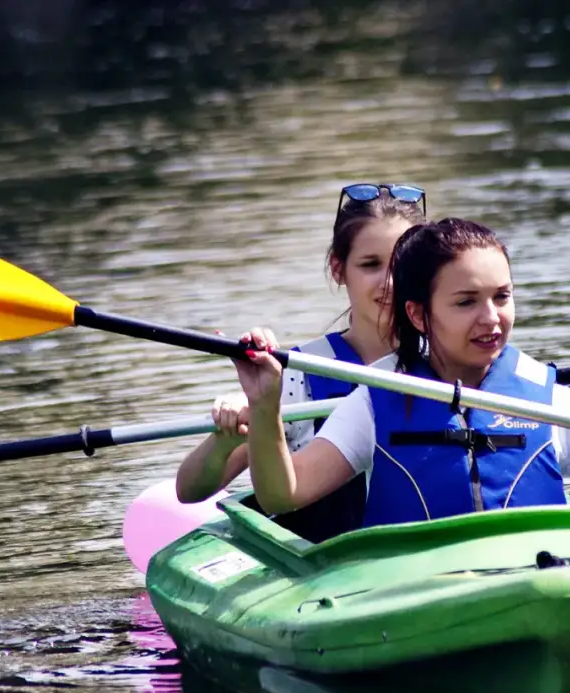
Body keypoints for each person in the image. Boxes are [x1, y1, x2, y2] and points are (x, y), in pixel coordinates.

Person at [230, 218, 570, 528]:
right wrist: (265, 404)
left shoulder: (544, 398)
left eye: (502, 296)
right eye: (466, 302)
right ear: (419, 314)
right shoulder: (376, 399)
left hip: (534, 581)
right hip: (411, 593)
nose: (491, 318)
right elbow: (284, 495)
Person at [174, 183, 426, 542]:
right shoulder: (297, 375)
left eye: (401, 265)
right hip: (319, 559)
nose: (389, 281)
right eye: (370, 264)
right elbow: (188, 491)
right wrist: (226, 437)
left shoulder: (447, 364)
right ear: (338, 269)